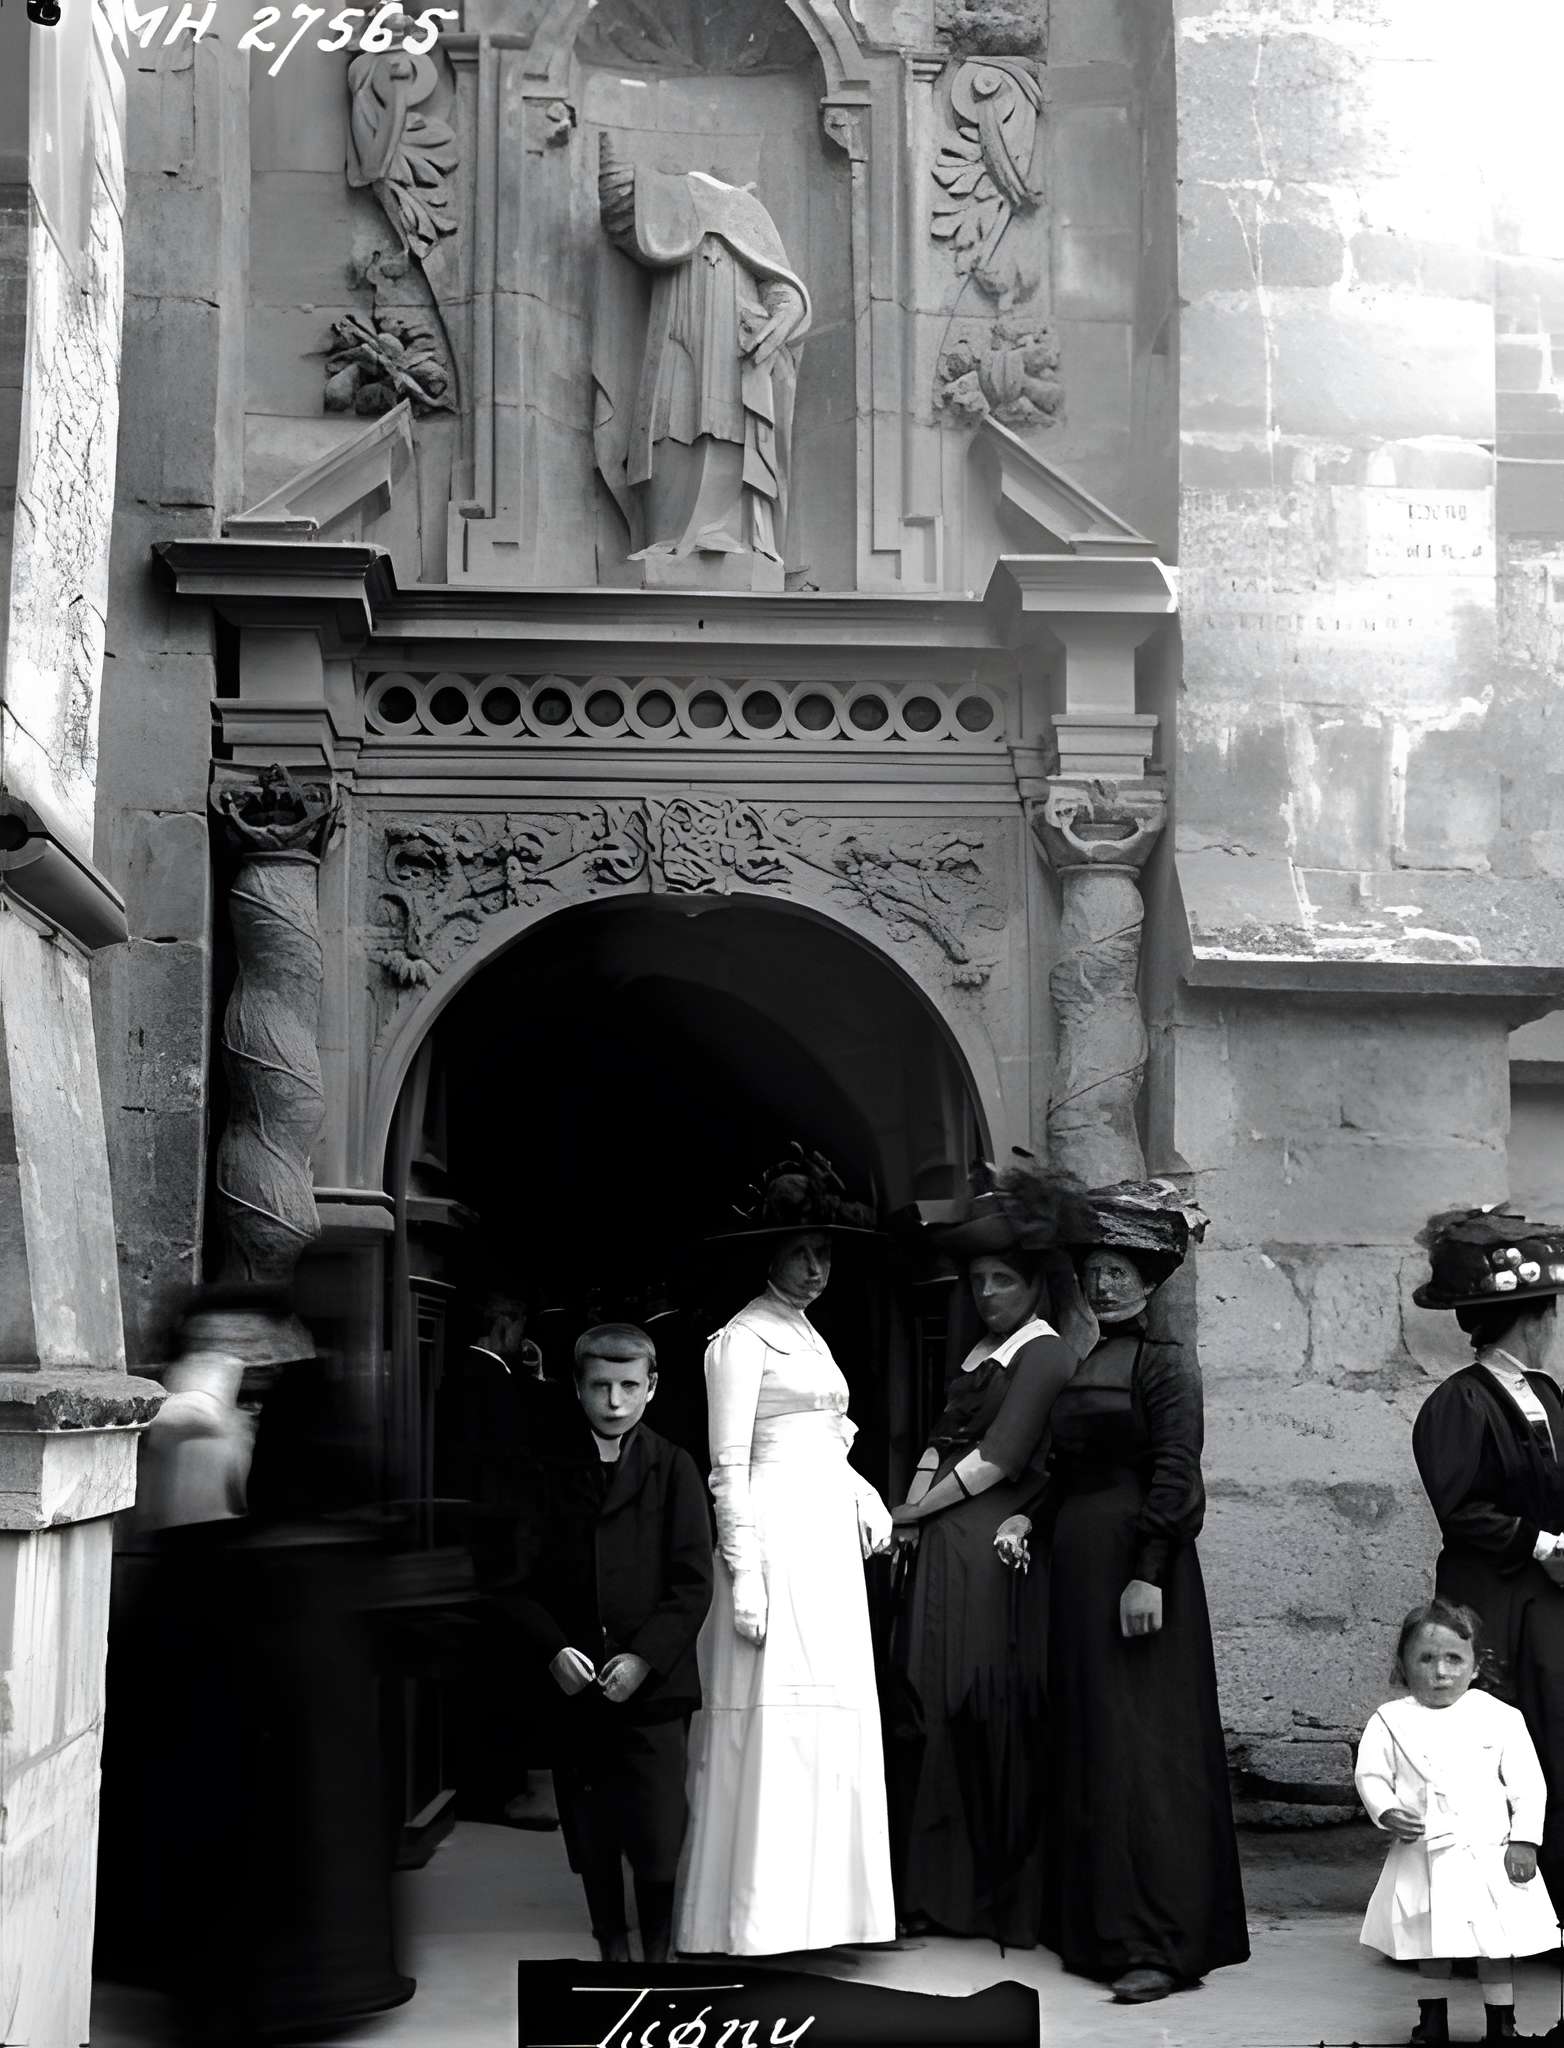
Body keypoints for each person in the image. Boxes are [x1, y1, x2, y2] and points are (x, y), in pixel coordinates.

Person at [995, 1180, 1249, 2002]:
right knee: (1096, 1742)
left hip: (1137, 1578)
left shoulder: (1166, 1363)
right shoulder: (1087, 1358)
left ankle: (1161, 1942)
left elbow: (1175, 1475)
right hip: (1077, 1578)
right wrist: (1030, 1517)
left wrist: (1147, 1572)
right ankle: (1099, 1929)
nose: (1105, 1284)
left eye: (1120, 1272)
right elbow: (1067, 1470)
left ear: (1149, 1281)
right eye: (1095, 1270)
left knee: (1146, 1750)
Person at [675, 1146, 897, 1955]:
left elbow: (830, 1443)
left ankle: (828, 1918)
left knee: (829, 1716)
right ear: (769, 1255)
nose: (815, 1268)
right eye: (801, 1252)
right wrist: (745, 1576)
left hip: (826, 1541)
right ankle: (754, 1920)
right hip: (774, 1537)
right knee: (771, 1717)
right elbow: (727, 1464)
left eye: (824, 1253)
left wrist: (866, 1495)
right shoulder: (740, 1342)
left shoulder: (808, 1339)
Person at [889, 1162, 1092, 1948]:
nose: (986, 1295)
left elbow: (997, 1461)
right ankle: (923, 1891)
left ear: (1034, 1287)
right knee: (923, 1708)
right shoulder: (979, 1351)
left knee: (974, 1709)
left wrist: (914, 1510)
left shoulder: (1043, 1356)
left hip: (994, 1544)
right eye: (977, 1281)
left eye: (1002, 1281)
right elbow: (943, 1443)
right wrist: (908, 1521)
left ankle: (978, 1897)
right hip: (943, 1543)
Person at [494, 1323, 713, 1963]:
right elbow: (512, 1579)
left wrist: (645, 1657)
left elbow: (693, 1580)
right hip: (578, 1686)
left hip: (653, 1691)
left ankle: (659, 1953)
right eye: (599, 1387)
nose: (614, 1402)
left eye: (628, 1387)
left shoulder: (674, 1468)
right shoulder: (544, 1472)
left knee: (657, 1826)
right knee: (592, 1829)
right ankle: (611, 1946)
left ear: (651, 1389)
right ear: (578, 1388)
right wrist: (551, 1650)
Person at [1410, 1206, 1564, 1907]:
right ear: (1529, 1320)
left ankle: (1549, 1904)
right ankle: (1481, 1909)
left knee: (1554, 1729)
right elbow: (1461, 1507)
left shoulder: (1550, 1396)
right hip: (1490, 1598)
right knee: (1492, 1741)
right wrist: (1539, 1543)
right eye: (1549, 1315)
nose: (1554, 1327)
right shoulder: (1458, 1404)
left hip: (1550, 1598)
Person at [1355, 1598, 1556, 2046]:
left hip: (1487, 1851)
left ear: (1475, 1665)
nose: (1440, 1672)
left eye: (1453, 1659)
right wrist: (1386, 1808)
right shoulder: (1390, 1721)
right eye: (1425, 1659)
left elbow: (1528, 1785)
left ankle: (1502, 2025)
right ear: (1403, 1666)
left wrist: (1524, 1840)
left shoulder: (1501, 1719)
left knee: (1495, 1941)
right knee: (1432, 1941)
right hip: (1425, 1852)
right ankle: (1432, 2022)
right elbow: (1370, 1774)